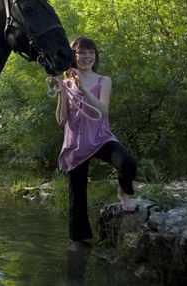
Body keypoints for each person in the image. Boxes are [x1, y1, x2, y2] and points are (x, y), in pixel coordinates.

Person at [54, 36, 137, 249]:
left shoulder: (104, 80)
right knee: (77, 195)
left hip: (100, 138)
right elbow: (61, 120)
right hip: (76, 144)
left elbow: (103, 111)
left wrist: (83, 89)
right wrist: (63, 93)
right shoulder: (65, 83)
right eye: (82, 53)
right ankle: (78, 241)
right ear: (73, 56)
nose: (87, 57)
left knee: (127, 163)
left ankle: (123, 192)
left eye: (91, 52)